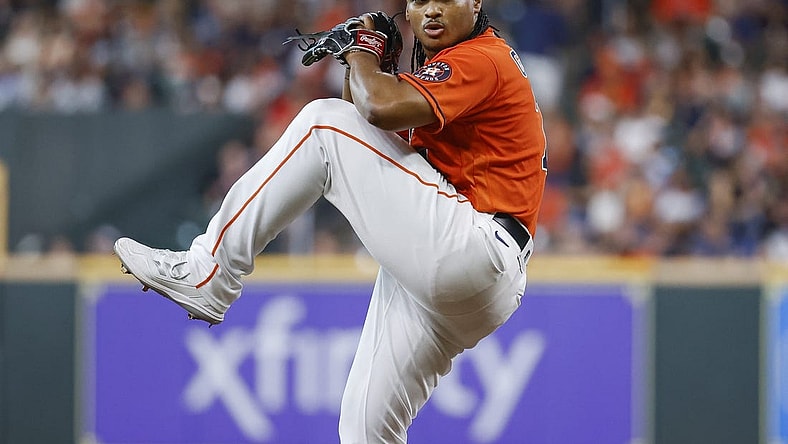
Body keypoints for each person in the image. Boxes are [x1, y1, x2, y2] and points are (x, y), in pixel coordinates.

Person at [114, 0, 547, 442]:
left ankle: (211, 272)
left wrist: (362, 51)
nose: (431, 10)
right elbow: (362, 120)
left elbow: (371, 110)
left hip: (473, 245)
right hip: (473, 277)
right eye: (419, 1)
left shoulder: (481, 58)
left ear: (475, 3)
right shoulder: (450, 67)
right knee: (363, 429)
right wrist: (363, 56)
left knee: (320, 124)